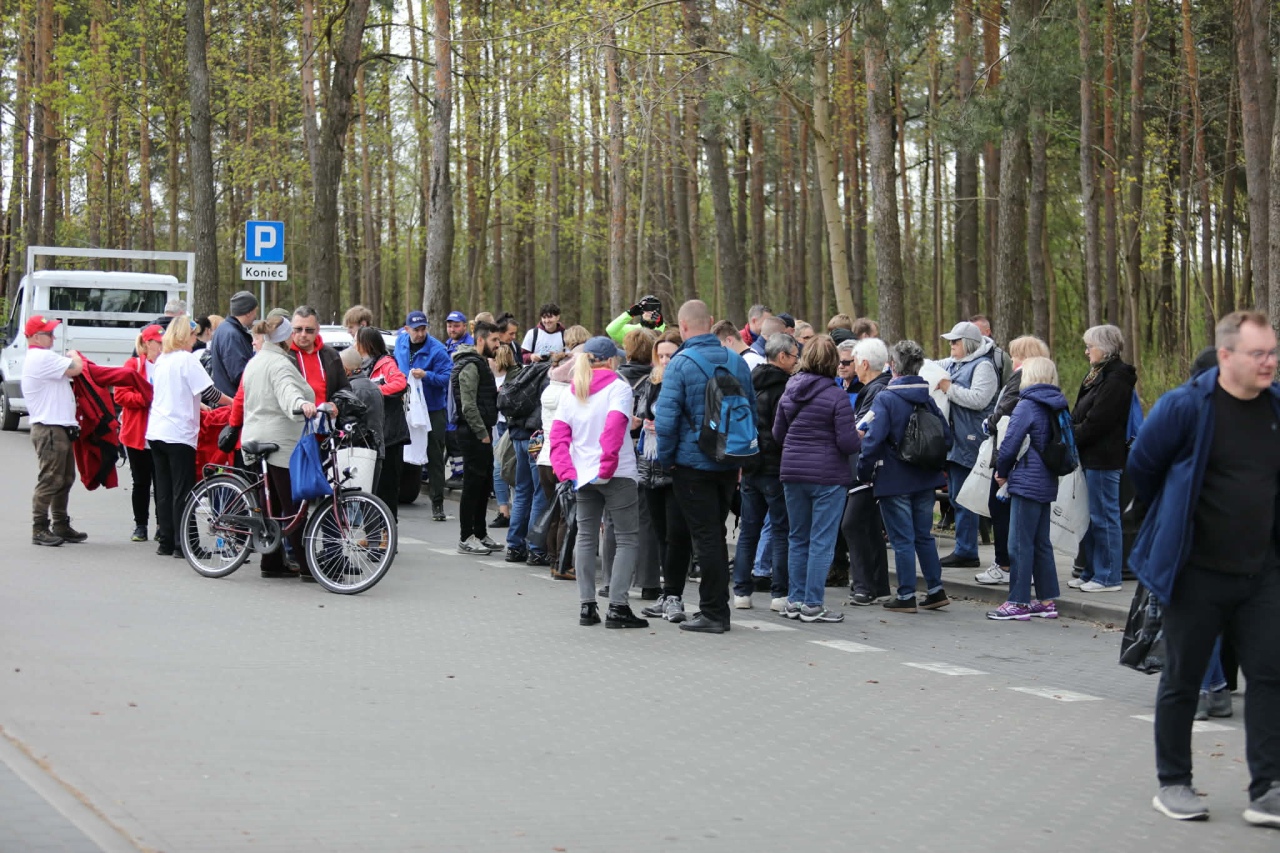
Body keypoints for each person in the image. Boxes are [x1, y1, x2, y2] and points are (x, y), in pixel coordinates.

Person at [1129, 310, 1280, 827]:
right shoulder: (1185, 407)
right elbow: (1142, 469)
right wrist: (1171, 527)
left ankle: (1268, 790)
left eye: (1274, 352)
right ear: (1225, 356)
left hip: (1262, 573)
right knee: (1183, 679)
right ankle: (1173, 783)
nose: (1270, 363)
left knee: (1269, 676)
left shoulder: (1277, 407)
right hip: (1194, 573)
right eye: (1258, 353)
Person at [654, 299, 757, 634]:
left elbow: (666, 422)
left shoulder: (681, 364)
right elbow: (751, 409)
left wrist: (668, 460)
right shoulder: (736, 360)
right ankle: (715, 608)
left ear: (682, 327)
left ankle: (714, 612)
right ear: (710, 322)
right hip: (729, 461)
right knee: (715, 531)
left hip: (691, 464)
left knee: (707, 537)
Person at [550, 336, 649, 629]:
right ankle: (618, 606)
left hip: (583, 475)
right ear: (610, 360)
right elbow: (614, 428)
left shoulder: (572, 391)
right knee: (627, 537)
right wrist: (606, 465)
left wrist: (566, 471)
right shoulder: (619, 388)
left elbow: (558, 437)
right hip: (616, 472)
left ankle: (586, 606)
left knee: (586, 537)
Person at [858, 340, 952, 614]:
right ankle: (935, 590)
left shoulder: (886, 398)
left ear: (893, 366)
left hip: (894, 478)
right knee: (923, 536)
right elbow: (944, 435)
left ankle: (906, 594)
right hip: (925, 478)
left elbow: (873, 440)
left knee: (902, 540)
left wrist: (863, 472)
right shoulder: (927, 397)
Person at [772, 335, 859, 623]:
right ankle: (812, 604)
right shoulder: (836, 396)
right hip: (828, 476)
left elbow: (778, 434)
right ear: (833, 362)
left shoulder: (790, 389)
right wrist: (859, 437)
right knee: (821, 540)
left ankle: (794, 601)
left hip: (793, 471)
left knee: (798, 538)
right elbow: (847, 443)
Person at [240, 312, 322, 579]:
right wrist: (302, 405)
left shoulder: (258, 360)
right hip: (280, 441)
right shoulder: (280, 364)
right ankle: (308, 567)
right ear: (287, 337)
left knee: (271, 505)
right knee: (294, 506)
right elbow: (288, 392)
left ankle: (271, 562)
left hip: (255, 435)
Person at [987, 357, 1068, 621]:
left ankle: (1018, 602)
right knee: (1041, 542)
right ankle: (1046, 599)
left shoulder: (1027, 405)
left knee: (1019, 543)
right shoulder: (1058, 404)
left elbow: (1010, 443)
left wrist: (1001, 471)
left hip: (1025, 480)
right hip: (1047, 479)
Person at [147, 319, 232, 558]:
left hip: (157, 430)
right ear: (186, 336)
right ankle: (185, 543)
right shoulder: (187, 360)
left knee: (163, 490)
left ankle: (166, 540)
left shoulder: (162, 360)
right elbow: (211, 391)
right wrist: (235, 403)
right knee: (183, 491)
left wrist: (200, 405)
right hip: (179, 432)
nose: (196, 340)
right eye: (193, 335)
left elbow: (176, 392)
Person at [974, 335, 1051, 586]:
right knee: (1033, 532)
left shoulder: (1022, 381)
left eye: (1015, 354)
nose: (1012, 358)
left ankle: (1007, 567)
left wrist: (990, 423)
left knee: (1002, 512)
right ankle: (1035, 583)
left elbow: (1008, 414)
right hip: (1034, 467)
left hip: (1015, 461)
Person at [1069, 324, 1138, 593]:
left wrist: (1073, 435)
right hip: (1089, 455)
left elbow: (1099, 421)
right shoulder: (1096, 375)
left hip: (1104, 457)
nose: (1087, 351)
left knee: (1105, 517)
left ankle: (1108, 576)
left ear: (1105, 348)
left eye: (1090, 346)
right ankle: (1090, 571)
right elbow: (1081, 411)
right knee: (1090, 517)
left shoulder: (1116, 379)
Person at [732, 333, 798, 611]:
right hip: (775, 467)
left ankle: (741, 592)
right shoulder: (785, 389)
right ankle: (779, 594)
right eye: (794, 356)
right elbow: (785, 431)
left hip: (750, 465)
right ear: (781, 356)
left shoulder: (749, 382)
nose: (797, 361)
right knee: (781, 530)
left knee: (749, 530)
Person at [639, 330, 698, 620]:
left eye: (669, 355)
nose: (664, 360)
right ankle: (666, 593)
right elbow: (642, 417)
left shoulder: (685, 382)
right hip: (650, 467)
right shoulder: (651, 383)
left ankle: (675, 594)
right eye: (660, 355)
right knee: (661, 533)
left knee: (678, 534)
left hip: (676, 467)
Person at [936, 320, 999, 569]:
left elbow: (979, 400)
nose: (951, 345)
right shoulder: (954, 363)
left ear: (969, 344)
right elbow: (931, 367)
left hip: (971, 440)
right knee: (955, 495)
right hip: (955, 440)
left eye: (955, 341)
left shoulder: (983, 366)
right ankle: (964, 548)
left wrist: (948, 388)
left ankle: (966, 550)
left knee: (964, 497)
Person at [21, 315, 86, 546]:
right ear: (36, 337)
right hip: (49, 427)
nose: (53, 337)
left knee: (65, 478)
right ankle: (39, 527)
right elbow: (76, 369)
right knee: (51, 478)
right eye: (49, 333)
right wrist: (74, 355)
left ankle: (60, 523)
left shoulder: (42, 357)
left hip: (57, 426)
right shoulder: (41, 356)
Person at [844, 337, 892, 606]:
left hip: (868, 468)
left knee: (852, 524)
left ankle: (864, 586)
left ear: (863, 363)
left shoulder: (877, 391)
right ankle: (878, 584)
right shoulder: (875, 389)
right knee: (870, 525)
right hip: (871, 467)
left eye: (852, 362)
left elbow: (865, 429)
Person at [395, 310, 454, 522]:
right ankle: (394, 498)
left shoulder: (437, 349)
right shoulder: (401, 342)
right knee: (399, 452)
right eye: (416, 329)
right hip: (406, 406)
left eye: (423, 329)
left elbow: (447, 377)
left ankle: (437, 503)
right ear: (407, 329)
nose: (420, 334)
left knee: (435, 455)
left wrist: (427, 375)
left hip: (432, 409)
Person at [452, 320, 501, 554]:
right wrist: (482, 434)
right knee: (472, 485)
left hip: (482, 431)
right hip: (473, 433)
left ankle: (480, 533)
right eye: (494, 340)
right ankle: (466, 536)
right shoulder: (470, 365)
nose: (498, 345)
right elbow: (468, 405)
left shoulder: (479, 363)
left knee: (482, 485)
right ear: (480, 340)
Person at [355, 327, 409, 520]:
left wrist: (376, 391)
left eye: (356, 342)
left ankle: (387, 533)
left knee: (387, 487)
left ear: (366, 344)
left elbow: (400, 383)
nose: (354, 345)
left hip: (390, 435)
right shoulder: (361, 366)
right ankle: (373, 533)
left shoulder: (386, 363)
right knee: (371, 488)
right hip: (373, 435)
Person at [116, 324, 164, 542]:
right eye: (158, 342)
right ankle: (140, 526)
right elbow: (120, 396)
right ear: (147, 343)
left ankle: (162, 525)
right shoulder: (133, 365)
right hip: (137, 433)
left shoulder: (166, 364)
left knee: (162, 483)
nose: (162, 346)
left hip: (161, 433)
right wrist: (145, 399)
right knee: (141, 482)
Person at [289, 306, 349, 406]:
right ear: (291, 329)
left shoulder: (331, 355)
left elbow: (345, 389)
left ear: (317, 329)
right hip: (295, 418)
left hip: (326, 418)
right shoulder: (283, 356)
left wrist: (335, 404)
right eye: (298, 329)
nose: (303, 334)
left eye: (309, 330)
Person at [209, 290, 259, 396]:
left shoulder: (224, 329)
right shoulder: (232, 335)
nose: (256, 315)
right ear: (248, 312)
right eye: (255, 311)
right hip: (232, 400)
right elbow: (239, 374)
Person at [489, 343, 517, 528]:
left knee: (505, 467)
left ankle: (512, 510)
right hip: (497, 424)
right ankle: (503, 510)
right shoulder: (490, 377)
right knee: (498, 469)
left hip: (510, 425)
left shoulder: (514, 377)